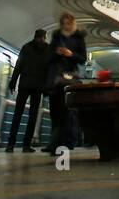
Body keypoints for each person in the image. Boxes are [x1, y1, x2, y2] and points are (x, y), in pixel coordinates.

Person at [45, 12, 86, 153]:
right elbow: (48, 58)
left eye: (69, 23)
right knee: (55, 111)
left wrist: (71, 54)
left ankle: (62, 142)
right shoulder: (56, 37)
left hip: (70, 78)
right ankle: (55, 142)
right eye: (64, 23)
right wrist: (56, 52)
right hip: (56, 78)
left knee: (66, 112)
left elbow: (83, 59)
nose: (66, 26)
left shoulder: (79, 38)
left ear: (73, 23)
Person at [6, 28, 51, 152]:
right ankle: (26, 145)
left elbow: (19, 65)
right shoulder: (48, 49)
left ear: (35, 36)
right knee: (33, 116)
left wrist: (13, 81)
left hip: (25, 85)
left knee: (17, 114)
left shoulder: (26, 47)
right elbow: (48, 70)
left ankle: (10, 144)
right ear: (44, 37)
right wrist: (47, 89)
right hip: (38, 87)